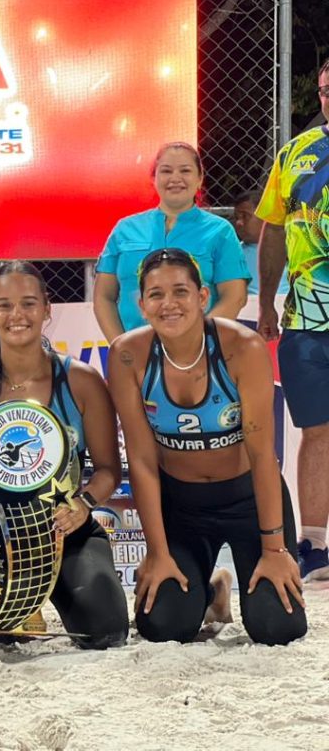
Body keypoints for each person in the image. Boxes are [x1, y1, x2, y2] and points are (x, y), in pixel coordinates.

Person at [108, 248, 306, 646]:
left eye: (180, 291)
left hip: (248, 499)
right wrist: (158, 552)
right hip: (182, 507)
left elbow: (263, 454)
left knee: (277, 627)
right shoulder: (128, 354)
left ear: (202, 297)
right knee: (162, 627)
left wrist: (275, 548)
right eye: (157, 294)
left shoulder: (241, 347)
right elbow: (143, 463)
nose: (169, 304)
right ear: (141, 303)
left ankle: (244, 572)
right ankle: (213, 590)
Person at [0, 261, 129, 648]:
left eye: (28, 304)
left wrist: (84, 504)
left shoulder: (81, 380)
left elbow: (109, 470)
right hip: (2, 537)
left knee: (105, 632)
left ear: (47, 310)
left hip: (67, 530)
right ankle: (28, 602)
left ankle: (56, 590)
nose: (17, 316)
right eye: (5, 306)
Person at [255, 58, 329, 580]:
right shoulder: (296, 153)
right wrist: (264, 304)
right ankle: (316, 546)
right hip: (307, 319)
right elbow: (275, 231)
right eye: (326, 90)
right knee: (317, 431)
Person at [93, 142, 249, 343]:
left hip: (199, 354)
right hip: (136, 355)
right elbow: (103, 297)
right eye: (166, 171)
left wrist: (196, 344)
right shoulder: (125, 229)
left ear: (199, 179)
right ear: (154, 178)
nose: (175, 178)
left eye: (185, 170)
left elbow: (234, 297)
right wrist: (122, 347)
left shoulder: (220, 232)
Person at [231, 190, 286, 296]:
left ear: (266, 216)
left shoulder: (290, 249)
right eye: (237, 218)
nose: (238, 222)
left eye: (245, 216)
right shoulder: (234, 253)